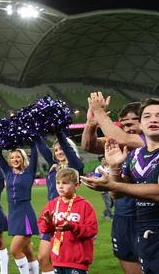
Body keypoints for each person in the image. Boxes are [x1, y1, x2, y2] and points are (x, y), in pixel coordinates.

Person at [82, 98, 159, 273]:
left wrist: (99, 111)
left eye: (131, 123)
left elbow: (120, 137)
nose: (126, 129)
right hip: (126, 216)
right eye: (123, 124)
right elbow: (89, 145)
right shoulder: (133, 152)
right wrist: (91, 123)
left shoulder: (140, 140)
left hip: (146, 218)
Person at [35, 134, 83, 274]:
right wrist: (35, 131)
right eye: (56, 150)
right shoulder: (53, 166)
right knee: (43, 258)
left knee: (67, 262)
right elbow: (43, 148)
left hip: (67, 215)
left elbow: (67, 148)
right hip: (51, 216)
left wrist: (58, 130)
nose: (59, 152)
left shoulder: (75, 166)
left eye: (61, 149)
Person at [38, 168, 97, 274]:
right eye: (58, 183)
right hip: (57, 260)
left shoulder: (85, 205)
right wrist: (47, 223)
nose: (60, 186)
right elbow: (42, 228)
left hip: (77, 262)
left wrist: (72, 227)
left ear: (76, 185)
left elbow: (92, 230)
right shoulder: (52, 204)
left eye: (65, 183)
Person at [0, 146, 40, 274]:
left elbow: (35, 155)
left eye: (18, 157)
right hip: (13, 215)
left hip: (25, 214)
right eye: (12, 157)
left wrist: (32, 141)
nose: (15, 159)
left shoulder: (29, 172)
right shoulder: (8, 172)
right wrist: (1, 142)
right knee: (27, 251)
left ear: (23, 159)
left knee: (14, 250)